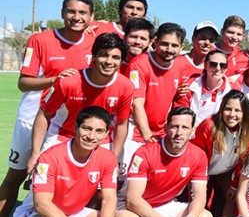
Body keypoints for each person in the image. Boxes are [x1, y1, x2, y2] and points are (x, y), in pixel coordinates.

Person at [0, 0, 97, 217]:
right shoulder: (40, 40)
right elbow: (24, 83)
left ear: (91, 17)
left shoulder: (94, 43)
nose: (76, 17)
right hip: (33, 118)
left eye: (83, 13)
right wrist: (55, 79)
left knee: (58, 183)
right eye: (71, 11)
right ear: (63, 12)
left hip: (65, 126)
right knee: (17, 175)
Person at [12, 107, 119, 217]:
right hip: (35, 215)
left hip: (72, 213)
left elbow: (109, 199)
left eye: (99, 131)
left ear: (106, 134)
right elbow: (42, 205)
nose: (92, 136)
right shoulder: (51, 156)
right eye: (87, 128)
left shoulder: (107, 158)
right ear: (76, 127)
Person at [115, 107, 214, 217]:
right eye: (174, 127)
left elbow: (199, 195)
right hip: (132, 208)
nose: (179, 132)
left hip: (165, 205)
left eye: (185, 128)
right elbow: (132, 200)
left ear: (192, 131)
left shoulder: (198, 155)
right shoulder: (145, 152)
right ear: (166, 128)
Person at [30, 33, 133, 165]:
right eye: (103, 55)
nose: (109, 61)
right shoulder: (68, 81)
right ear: (94, 57)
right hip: (63, 136)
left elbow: (121, 124)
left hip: (100, 140)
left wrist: (114, 157)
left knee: (101, 183)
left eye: (115, 57)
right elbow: (44, 114)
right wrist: (35, 153)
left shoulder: (126, 86)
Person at [122, 22, 187, 177]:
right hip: (135, 133)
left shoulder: (179, 66)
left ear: (181, 47)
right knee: (125, 181)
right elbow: (136, 104)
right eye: (164, 44)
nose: (169, 50)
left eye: (174, 45)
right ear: (155, 42)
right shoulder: (139, 64)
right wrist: (147, 136)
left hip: (161, 134)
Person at [190, 90, 249, 217]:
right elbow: (196, 156)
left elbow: (245, 162)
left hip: (227, 171)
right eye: (228, 109)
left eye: (237, 111)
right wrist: (200, 182)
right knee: (197, 201)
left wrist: (234, 186)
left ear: (244, 113)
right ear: (221, 109)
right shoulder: (209, 125)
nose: (232, 115)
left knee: (234, 197)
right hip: (202, 170)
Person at [175, 50, 232, 124]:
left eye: (223, 65)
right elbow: (179, 115)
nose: (218, 68)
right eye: (213, 64)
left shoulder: (232, 89)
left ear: (226, 68)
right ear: (205, 65)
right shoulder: (189, 86)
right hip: (192, 132)